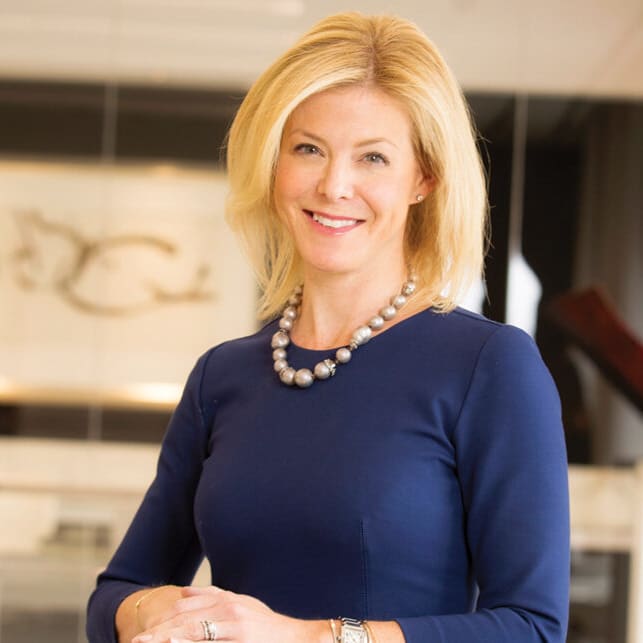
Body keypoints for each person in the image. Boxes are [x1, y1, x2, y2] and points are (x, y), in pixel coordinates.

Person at [86, 11, 570, 643]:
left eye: (373, 157)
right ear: (274, 163)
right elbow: (114, 595)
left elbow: (531, 628)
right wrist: (155, 612)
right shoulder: (221, 376)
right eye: (308, 149)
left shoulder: (489, 365)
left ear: (423, 178)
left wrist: (307, 635)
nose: (335, 185)